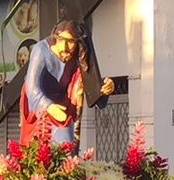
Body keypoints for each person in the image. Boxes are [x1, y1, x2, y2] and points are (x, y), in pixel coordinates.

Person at [19, 19, 109, 148]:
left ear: (78, 42)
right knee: (36, 149)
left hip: (63, 107)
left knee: (65, 145)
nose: (64, 47)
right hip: (39, 108)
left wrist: (104, 89)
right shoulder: (41, 50)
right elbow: (31, 86)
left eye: (71, 41)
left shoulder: (80, 56)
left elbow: (93, 93)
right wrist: (48, 106)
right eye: (60, 40)